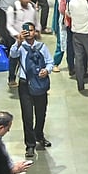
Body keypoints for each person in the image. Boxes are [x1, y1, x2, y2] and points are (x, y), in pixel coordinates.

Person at [8, 21, 52, 157]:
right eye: (26, 31)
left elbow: (50, 61)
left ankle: (39, 135)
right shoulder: (20, 47)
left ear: (35, 32)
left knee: (41, 113)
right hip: (25, 85)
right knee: (27, 116)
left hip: (40, 84)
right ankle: (30, 145)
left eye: (32, 31)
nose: (29, 33)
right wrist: (18, 41)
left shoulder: (42, 46)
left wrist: (47, 70)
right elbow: (13, 55)